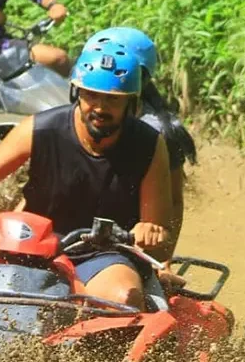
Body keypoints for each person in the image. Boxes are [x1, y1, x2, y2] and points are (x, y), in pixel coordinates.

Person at [0, 46, 173, 310]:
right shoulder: (40, 128)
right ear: (77, 93)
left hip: (102, 254)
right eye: (91, 95)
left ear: (131, 103)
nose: (100, 107)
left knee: (125, 298)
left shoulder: (148, 144)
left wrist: (150, 231)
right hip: (26, 245)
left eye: (112, 99)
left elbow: (156, 227)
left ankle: (107, 358)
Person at [83, 27, 196, 244]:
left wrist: (163, 259)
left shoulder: (157, 132)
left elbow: (172, 203)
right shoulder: (80, 115)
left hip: (129, 237)